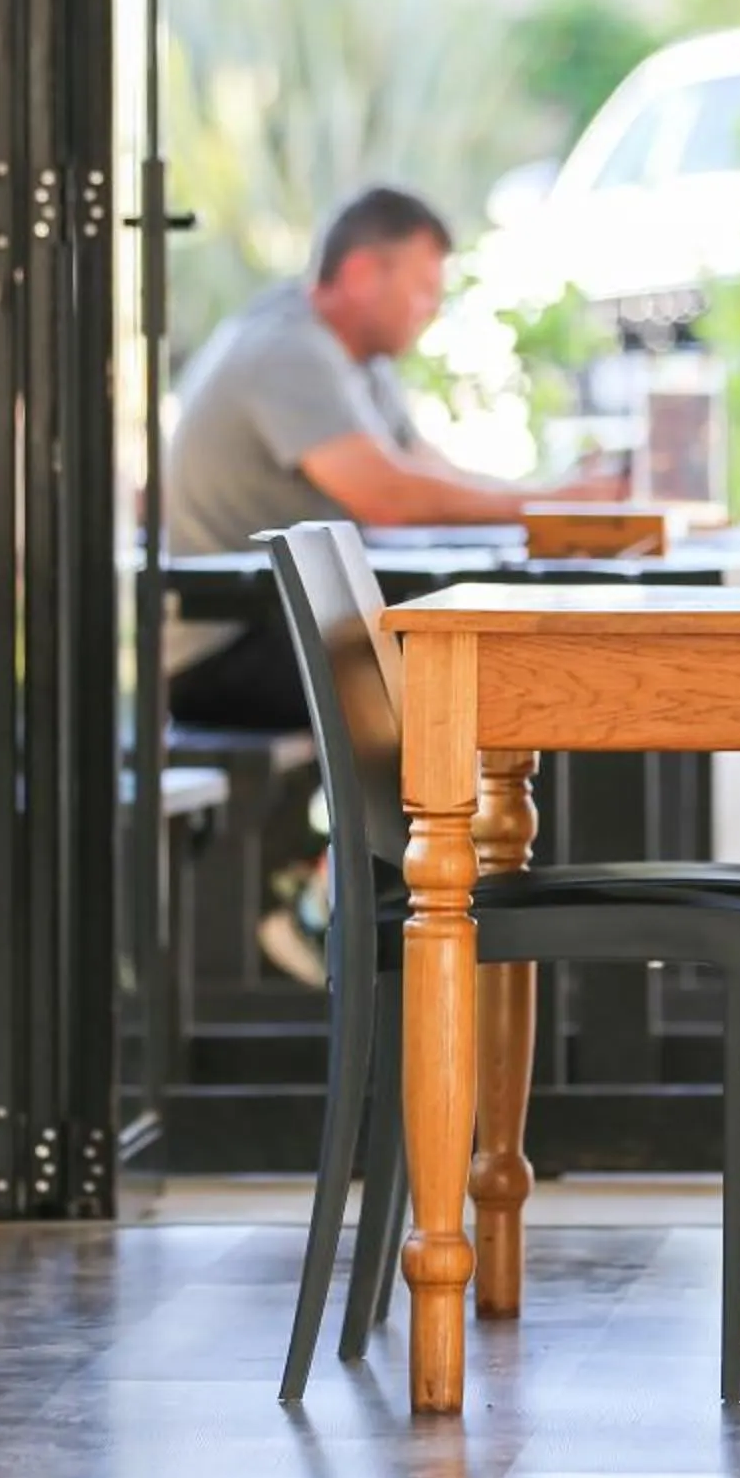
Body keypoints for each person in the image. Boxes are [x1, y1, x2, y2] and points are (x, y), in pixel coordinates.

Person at [164, 184, 622, 981]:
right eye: (421, 288)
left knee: (464, 678)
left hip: (287, 631)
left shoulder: (355, 363)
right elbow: (391, 497)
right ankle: (361, 912)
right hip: (224, 649)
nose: (429, 311)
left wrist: (547, 503)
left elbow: (427, 473)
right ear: (364, 271)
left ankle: (398, 912)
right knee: (465, 687)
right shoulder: (289, 350)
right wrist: (551, 505)